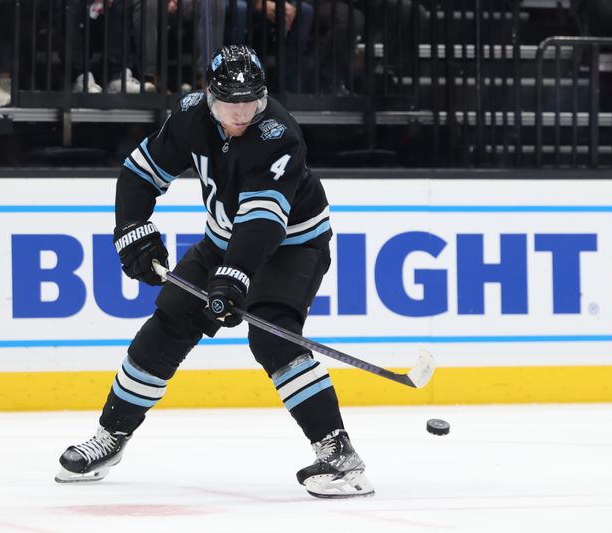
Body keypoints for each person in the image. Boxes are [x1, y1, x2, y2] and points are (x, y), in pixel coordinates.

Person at [54, 44, 373, 499]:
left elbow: (263, 221)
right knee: (168, 323)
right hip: (224, 239)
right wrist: (132, 229)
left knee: (272, 335)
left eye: (251, 101)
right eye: (230, 102)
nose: (241, 113)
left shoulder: (279, 135)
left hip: (293, 245)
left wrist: (234, 276)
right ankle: (111, 437)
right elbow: (139, 174)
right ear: (209, 96)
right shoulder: (189, 116)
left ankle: (339, 455)